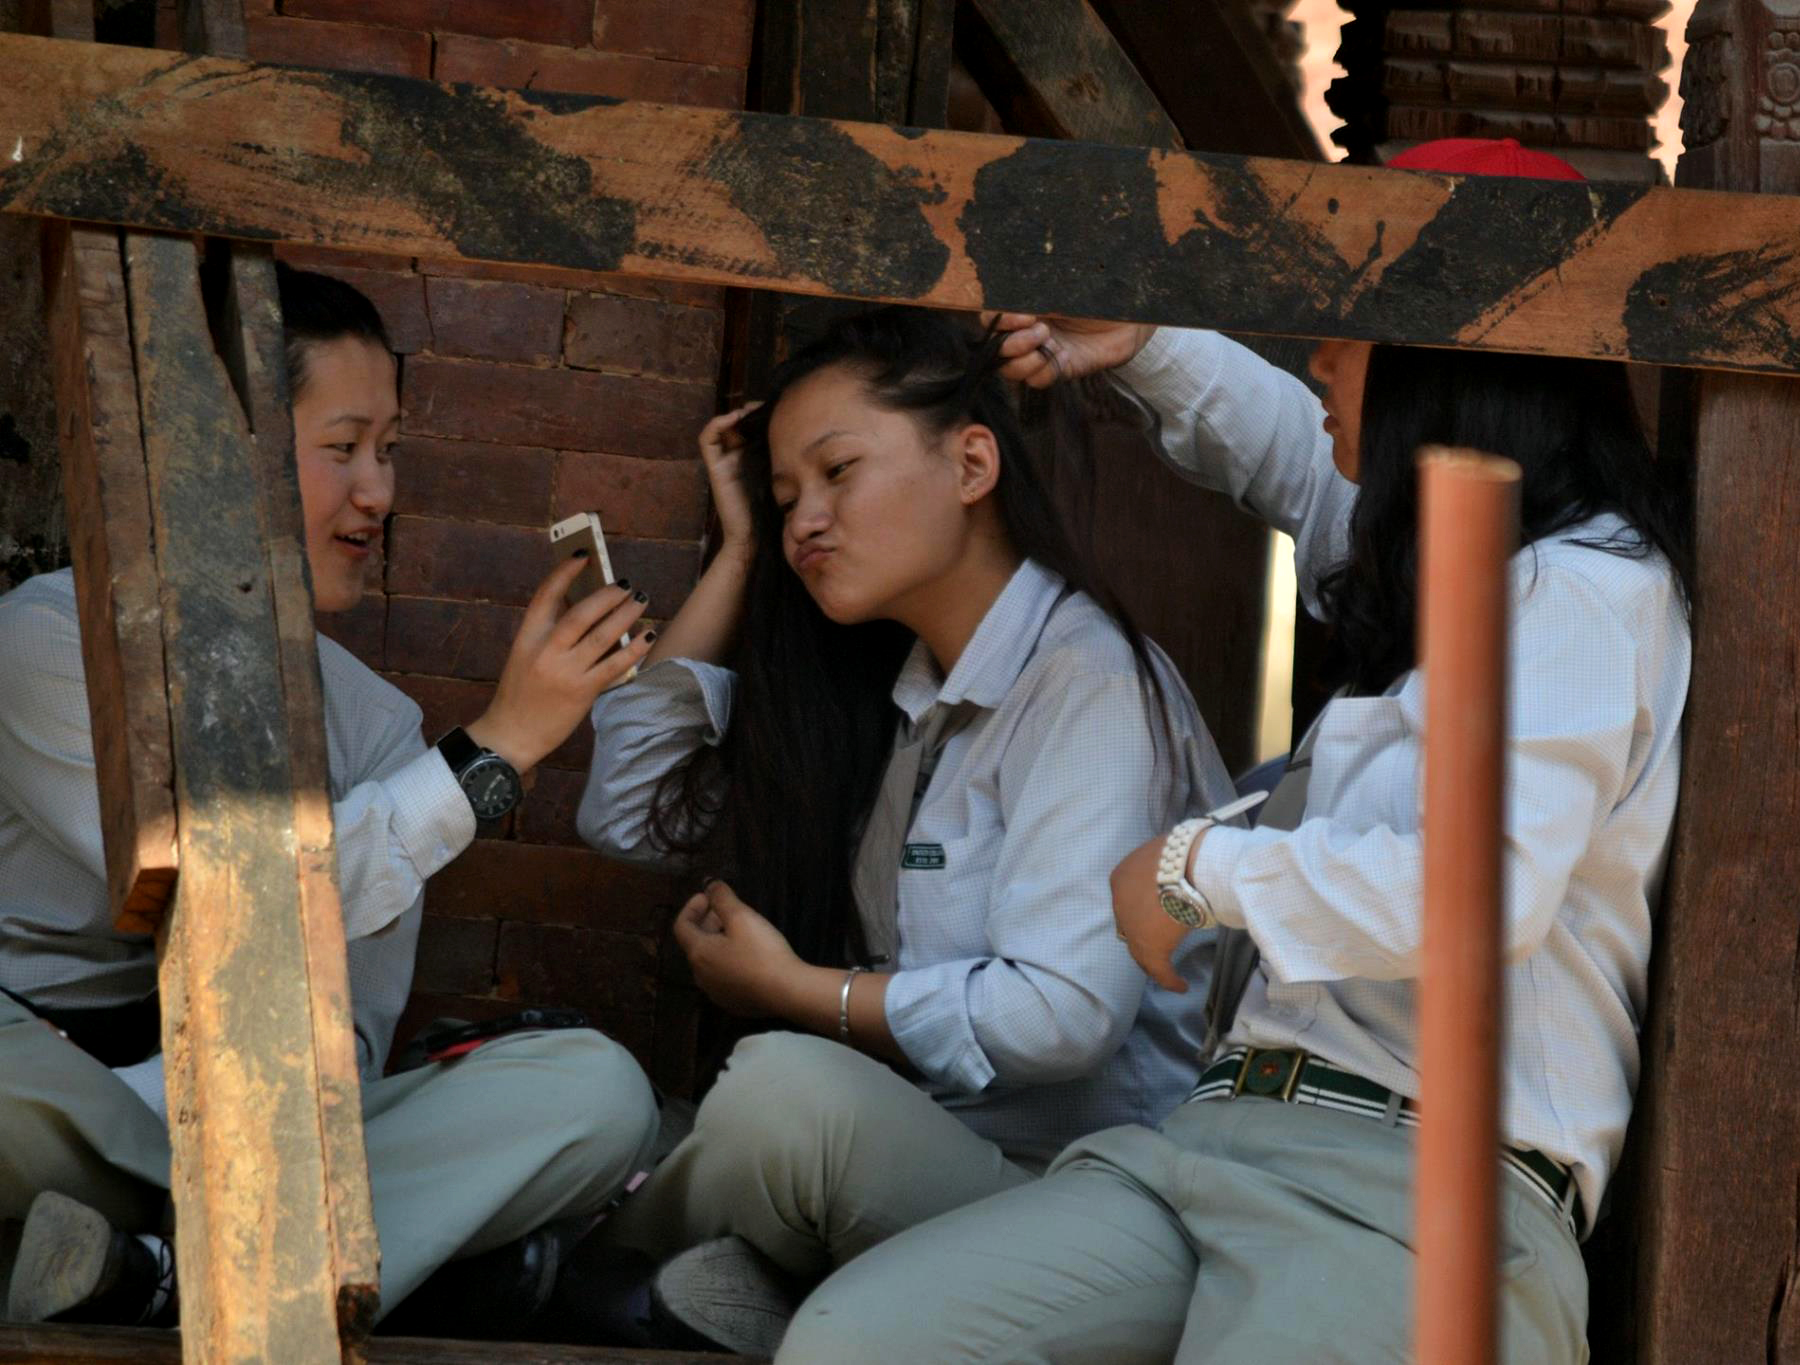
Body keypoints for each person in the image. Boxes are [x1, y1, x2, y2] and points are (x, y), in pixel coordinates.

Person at [774, 138, 1694, 1364]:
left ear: (1456, 352)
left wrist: (1193, 872)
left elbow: (1472, 896)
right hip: (1208, 1152)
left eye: (1354, 324)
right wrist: (1145, 344)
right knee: (856, 1343)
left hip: (1409, 1196)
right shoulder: (1435, 572)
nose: (1318, 353)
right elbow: (1287, 456)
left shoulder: (1579, 594)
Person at [0, 266, 661, 1335]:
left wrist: (479, 757)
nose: (379, 493)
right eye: (343, 447)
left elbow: (342, 1045)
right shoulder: (49, 642)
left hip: (255, 1137)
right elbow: (234, 895)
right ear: (224, 456)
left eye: (389, 450)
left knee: (596, 1097)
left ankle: (161, 1278)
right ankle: (362, 1260)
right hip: (65, 1101)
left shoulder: (378, 730)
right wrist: (495, 750)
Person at [574, 307, 1237, 1354]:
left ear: (972, 462)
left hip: (1097, 1202)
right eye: (787, 496)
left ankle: (601, 1281)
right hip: (949, 1162)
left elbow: (1065, 1016)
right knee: (647, 1099)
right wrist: (740, 549)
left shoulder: (1090, 683)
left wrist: (800, 994)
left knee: (783, 1095)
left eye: (838, 473)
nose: (808, 521)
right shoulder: (903, 695)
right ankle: (694, 1279)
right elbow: (626, 815)